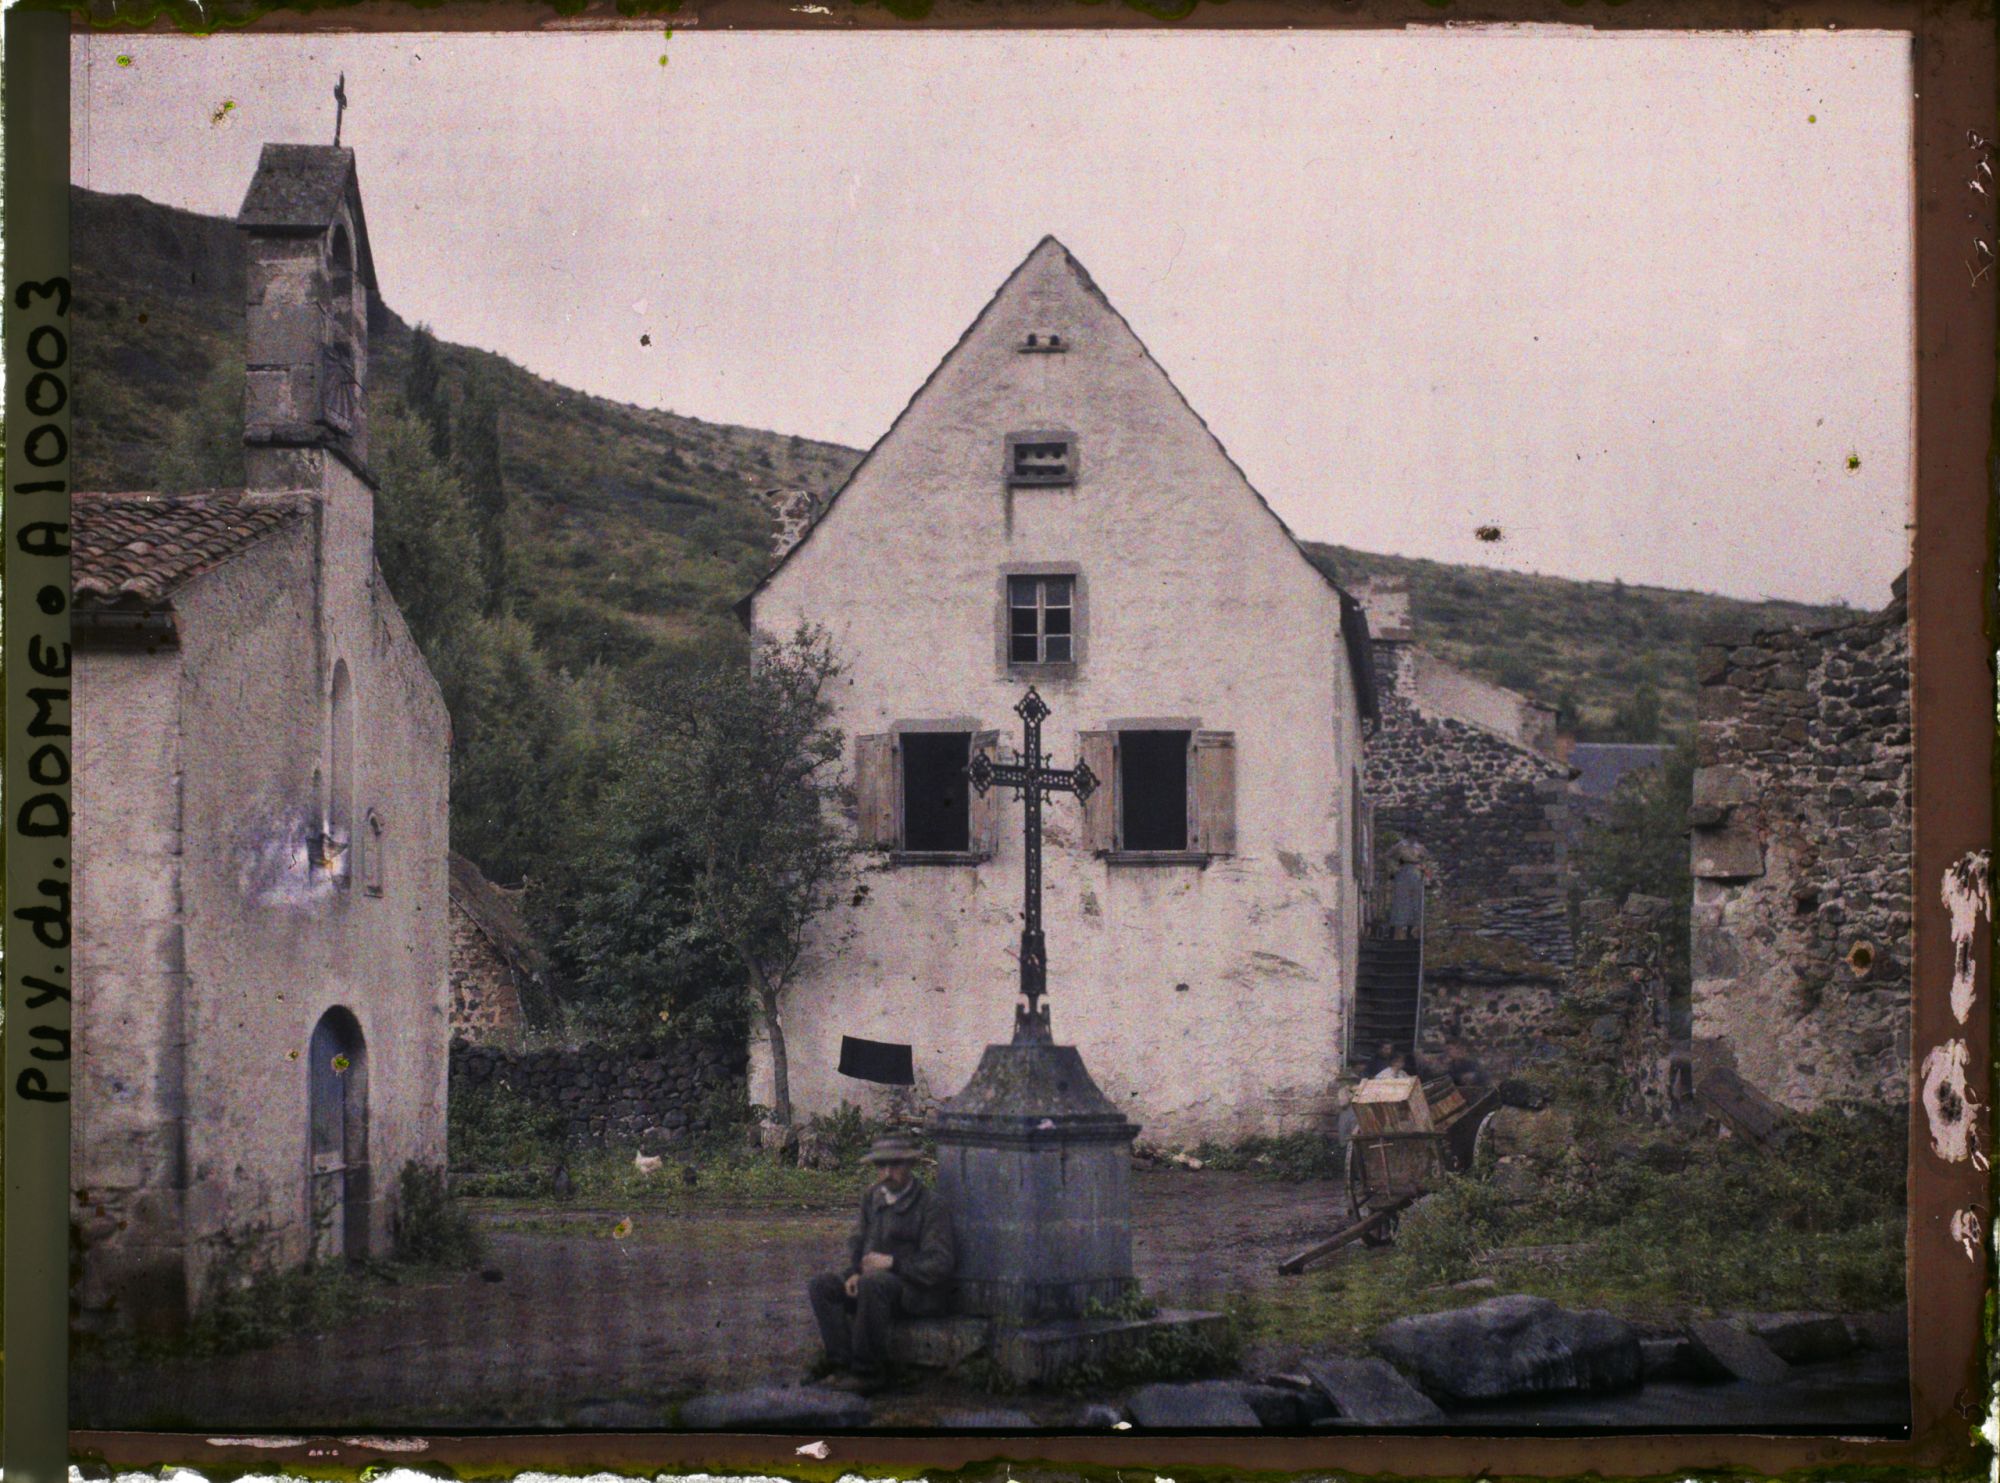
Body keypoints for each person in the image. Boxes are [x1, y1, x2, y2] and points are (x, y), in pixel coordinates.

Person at [806, 1132, 956, 1392]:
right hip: (873, 1285)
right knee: (822, 1285)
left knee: (874, 1283)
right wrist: (854, 1272)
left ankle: (868, 1371)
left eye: (895, 1165)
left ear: (910, 1165)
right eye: (881, 1165)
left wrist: (893, 1263)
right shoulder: (872, 1197)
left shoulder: (931, 1205)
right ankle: (841, 1365)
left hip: (916, 1292)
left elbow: (940, 1263)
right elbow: (859, 1241)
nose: (887, 1172)